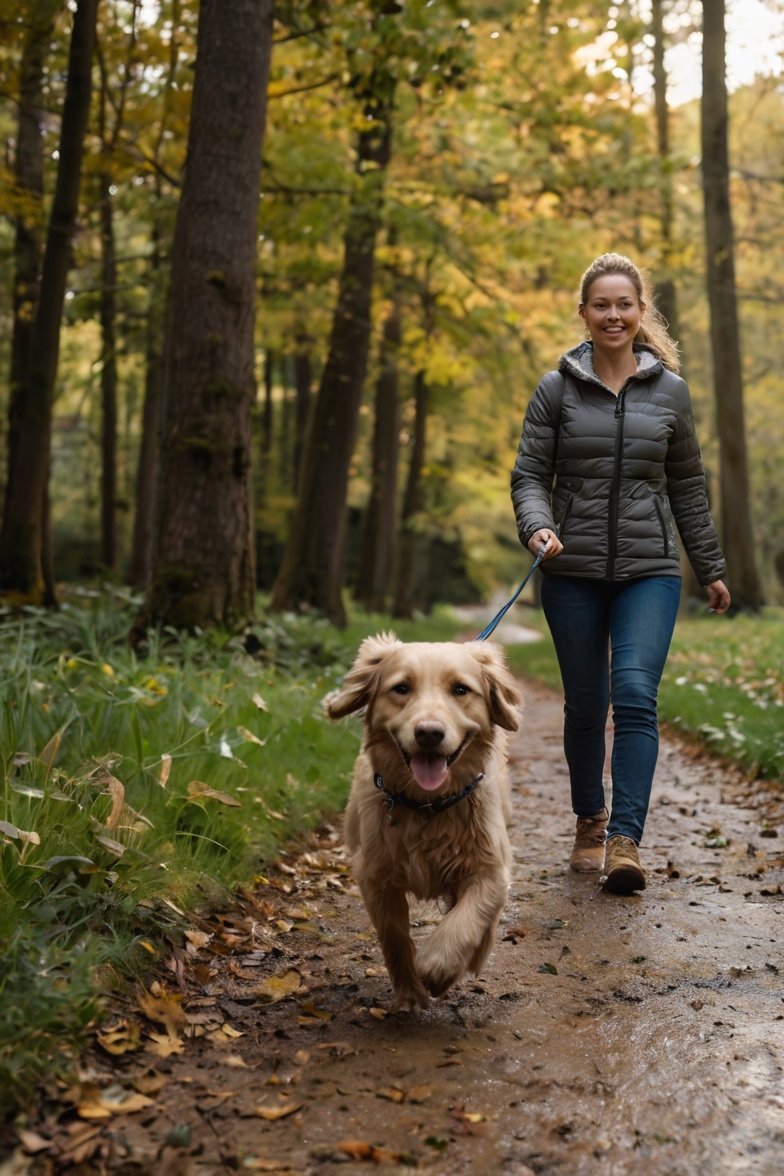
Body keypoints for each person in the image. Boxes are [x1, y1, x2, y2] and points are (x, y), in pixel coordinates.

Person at [510, 252, 731, 894]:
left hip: (650, 569)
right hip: (570, 568)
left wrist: (710, 566)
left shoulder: (671, 393)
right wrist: (537, 526)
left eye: (624, 304)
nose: (613, 315)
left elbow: (687, 486)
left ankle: (624, 841)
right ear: (583, 313)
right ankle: (590, 818)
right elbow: (529, 475)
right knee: (585, 703)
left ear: (641, 312)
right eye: (601, 305)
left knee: (635, 695)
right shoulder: (555, 389)